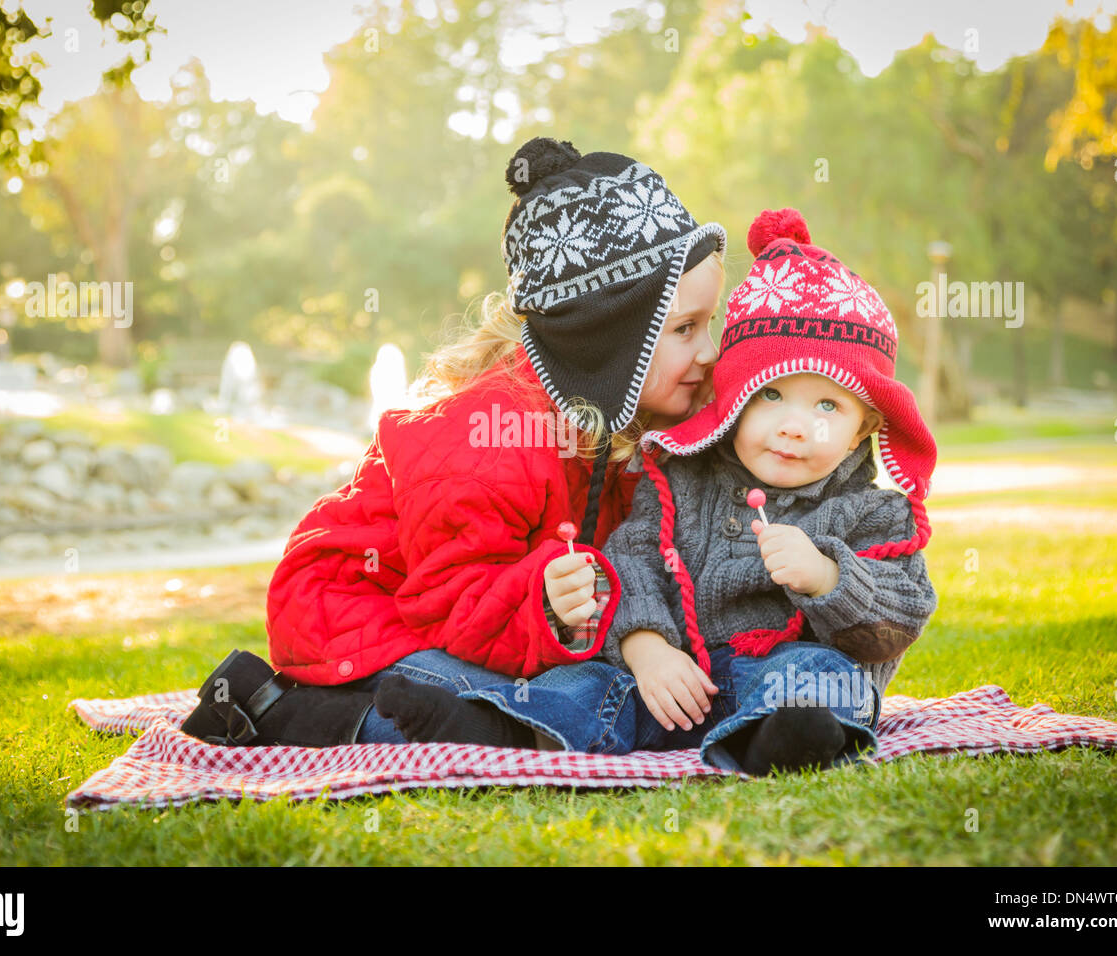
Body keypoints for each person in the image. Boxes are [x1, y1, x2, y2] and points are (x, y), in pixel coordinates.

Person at [179, 136, 727, 751]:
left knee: (582, 691)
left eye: (710, 323)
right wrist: (545, 602)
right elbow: (454, 603)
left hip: (463, 615)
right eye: (683, 328)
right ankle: (285, 712)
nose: (708, 352)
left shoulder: (609, 422)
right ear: (608, 337)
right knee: (494, 714)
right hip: (364, 618)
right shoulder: (490, 438)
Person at [375, 208, 940, 777]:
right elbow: (634, 560)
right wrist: (646, 649)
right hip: (673, 680)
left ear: (862, 429)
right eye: (770, 395)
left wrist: (827, 577)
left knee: (819, 678)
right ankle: (504, 730)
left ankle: (781, 740)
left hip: (783, 672)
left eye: (826, 406)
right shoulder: (681, 478)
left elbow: (900, 616)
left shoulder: (872, 513)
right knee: (590, 686)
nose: (793, 425)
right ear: (734, 393)